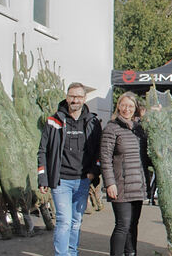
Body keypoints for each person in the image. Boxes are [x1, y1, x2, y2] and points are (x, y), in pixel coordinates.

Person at [37, 82, 102, 256]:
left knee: (75, 221)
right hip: (61, 181)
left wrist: (93, 173)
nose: (75, 100)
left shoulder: (92, 122)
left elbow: (99, 151)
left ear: (84, 99)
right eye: (72, 96)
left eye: (79, 97)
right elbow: (43, 150)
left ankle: (72, 253)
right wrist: (43, 178)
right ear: (67, 97)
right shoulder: (54, 120)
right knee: (64, 221)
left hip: (82, 180)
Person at [100, 92, 149, 256]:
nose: (126, 109)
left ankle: (131, 253)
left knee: (133, 224)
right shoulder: (111, 128)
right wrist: (109, 183)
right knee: (123, 224)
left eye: (130, 106)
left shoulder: (139, 130)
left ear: (135, 108)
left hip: (138, 184)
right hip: (120, 184)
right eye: (123, 105)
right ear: (118, 106)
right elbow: (105, 158)